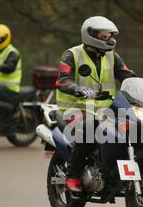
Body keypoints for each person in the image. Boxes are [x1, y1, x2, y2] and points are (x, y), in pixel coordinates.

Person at [55, 16, 136, 193]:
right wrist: (78, 88)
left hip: (106, 109)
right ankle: (73, 175)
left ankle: (115, 171)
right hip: (75, 109)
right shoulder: (72, 55)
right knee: (89, 127)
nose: (110, 39)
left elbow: (127, 75)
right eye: (105, 36)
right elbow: (63, 80)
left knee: (134, 125)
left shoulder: (112, 56)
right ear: (91, 35)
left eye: (110, 36)